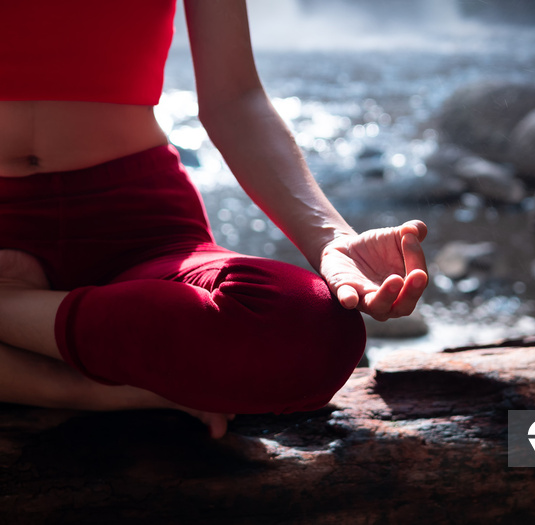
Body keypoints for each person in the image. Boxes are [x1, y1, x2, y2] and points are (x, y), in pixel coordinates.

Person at [0, 0, 428, 439]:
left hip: (140, 228)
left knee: (313, 328)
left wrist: (330, 237)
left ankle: (16, 323)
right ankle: (121, 390)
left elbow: (234, 100)